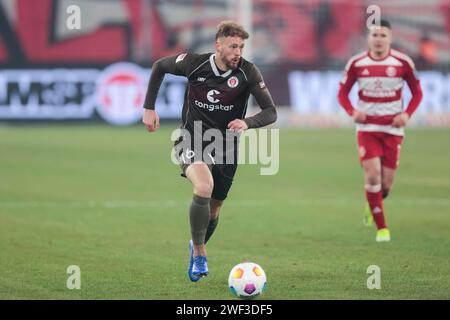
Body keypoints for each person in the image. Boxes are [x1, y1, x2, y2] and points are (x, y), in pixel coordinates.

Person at [142, 21, 277, 281]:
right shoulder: (195, 64)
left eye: (241, 47)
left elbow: (271, 112)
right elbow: (160, 66)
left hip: (227, 146)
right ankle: (200, 254)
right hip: (191, 139)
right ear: (218, 45)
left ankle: (196, 244)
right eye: (232, 46)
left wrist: (247, 122)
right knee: (203, 187)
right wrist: (149, 107)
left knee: (214, 211)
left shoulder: (249, 73)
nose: (238, 52)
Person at [338, 19, 423, 242]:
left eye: (383, 35)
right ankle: (382, 229)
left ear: (390, 38)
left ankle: (371, 202)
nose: (378, 39)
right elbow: (342, 93)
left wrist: (406, 115)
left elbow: (417, 93)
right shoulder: (356, 63)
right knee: (373, 174)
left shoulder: (402, 62)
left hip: (393, 129)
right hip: (367, 128)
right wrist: (352, 112)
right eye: (374, 35)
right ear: (368, 38)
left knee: (385, 185)